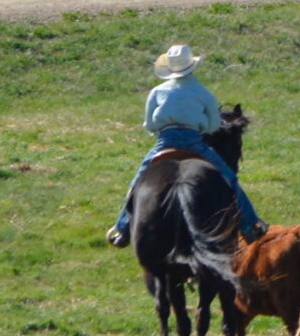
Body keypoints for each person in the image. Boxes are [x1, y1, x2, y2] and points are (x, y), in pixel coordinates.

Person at [106, 43, 265, 246]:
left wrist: (160, 129)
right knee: (230, 180)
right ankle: (250, 226)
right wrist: (201, 128)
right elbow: (214, 124)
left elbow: (150, 124)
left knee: (138, 181)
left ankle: (122, 229)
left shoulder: (157, 92)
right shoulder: (203, 92)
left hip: (165, 141)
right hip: (195, 142)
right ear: (192, 65)